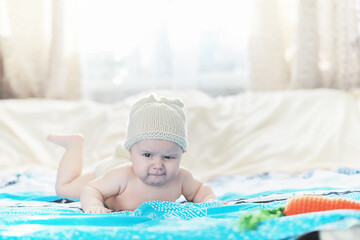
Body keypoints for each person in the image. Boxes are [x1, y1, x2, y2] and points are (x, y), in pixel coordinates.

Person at [47, 94, 219, 214]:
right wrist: (94, 206)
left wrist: (209, 200)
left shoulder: (182, 178)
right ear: (131, 153)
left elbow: (200, 190)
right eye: (147, 155)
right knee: (64, 189)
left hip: (126, 165)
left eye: (168, 157)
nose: (158, 165)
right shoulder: (120, 176)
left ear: (181, 153)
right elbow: (91, 189)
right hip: (107, 170)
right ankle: (74, 146)